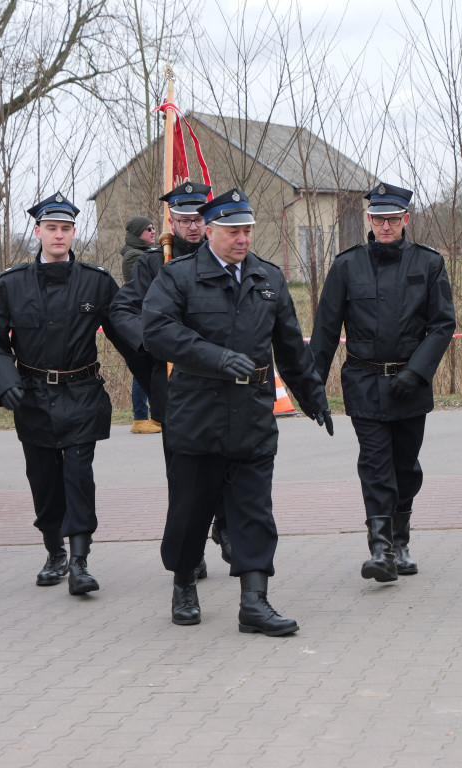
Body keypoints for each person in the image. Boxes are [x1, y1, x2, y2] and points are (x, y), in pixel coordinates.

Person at [142, 188, 333, 634]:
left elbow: (289, 344)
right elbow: (157, 331)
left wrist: (313, 396)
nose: (242, 238)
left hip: (251, 413)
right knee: (190, 511)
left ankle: (254, 601)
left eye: (247, 229)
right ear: (208, 230)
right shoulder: (179, 277)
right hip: (197, 412)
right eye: (232, 231)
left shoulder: (268, 278)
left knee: (253, 511)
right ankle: (184, 581)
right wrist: (215, 358)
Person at [0, 192, 139, 593]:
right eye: (52, 228)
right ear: (38, 232)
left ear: (73, 233)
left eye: (66, 228)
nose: (59, 235)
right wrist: (5, 381)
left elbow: (128, 335)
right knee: (44, 480)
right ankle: (55, 551)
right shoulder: (11, 285)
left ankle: (81, 561)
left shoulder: (96, 281)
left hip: (81, 393)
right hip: (31, 396)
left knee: (78, 476)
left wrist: (161, 378)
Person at [310, 183, 456, 582]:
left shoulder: (428, 264)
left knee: (404, 467)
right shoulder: (346, 266)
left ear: (406, 219)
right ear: (368, 220)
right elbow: (325, 329)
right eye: (378, 219)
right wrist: (312, 387)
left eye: (393, 219)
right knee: (375, 465)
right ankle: (380, 547)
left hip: (410, 384)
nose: (385, 226)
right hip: (364, 381)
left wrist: (416, 371)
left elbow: (442, 324)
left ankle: (401, 538)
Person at [110, 181, 232, 565]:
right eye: (183, 219)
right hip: (178, 390)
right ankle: (189, 554)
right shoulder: (151, 264)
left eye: (198, 219)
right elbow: (121, 311)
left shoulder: (230, 259)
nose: (192, 227)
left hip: (224, 386)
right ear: (171, 220)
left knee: (231, 468)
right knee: (185, 480)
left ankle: (226, 526)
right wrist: (151, 343)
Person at [119, 215, 162, 435]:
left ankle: (155, 413)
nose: (153, 231)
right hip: (142, 315)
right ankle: (140, 417)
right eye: (148, 229)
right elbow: (143, 286)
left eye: (154, 228)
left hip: (150, 313)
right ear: (137, 234)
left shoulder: (146, 253)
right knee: (144, 368)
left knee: (154, 366)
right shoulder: (134, 256)